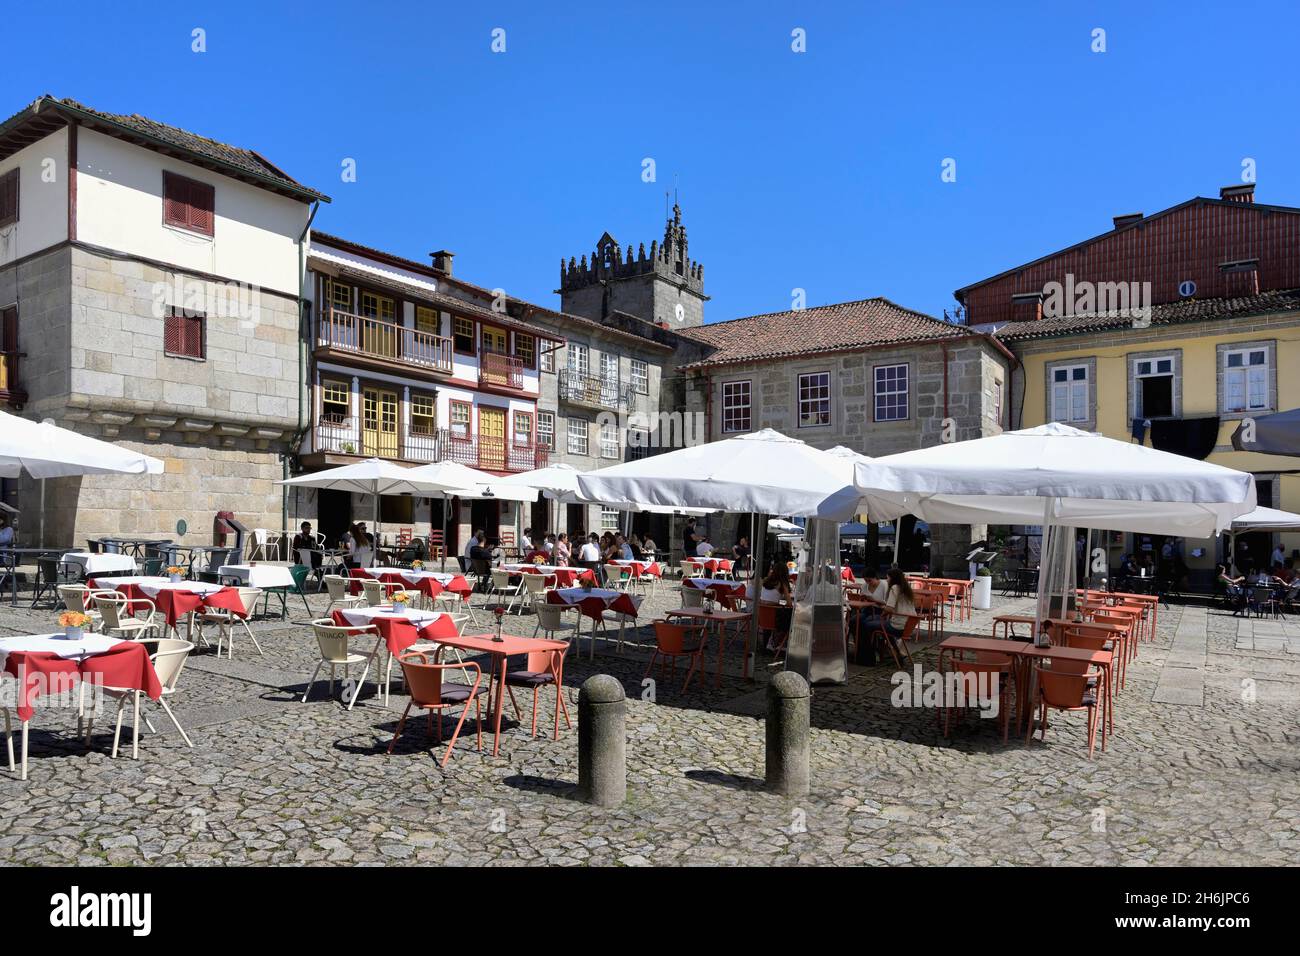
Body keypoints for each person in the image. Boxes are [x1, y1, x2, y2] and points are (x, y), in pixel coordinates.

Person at [881, 567, 917, 641]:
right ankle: (892, 647)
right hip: (909, 626)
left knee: (868, 625)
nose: (886, 580)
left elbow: (889, 609)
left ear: (893, 579)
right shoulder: (906, 589)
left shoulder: (895, 588)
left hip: (898, 626)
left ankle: (870, 651)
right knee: (877, 623)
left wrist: (883, 608)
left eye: (887, 578)